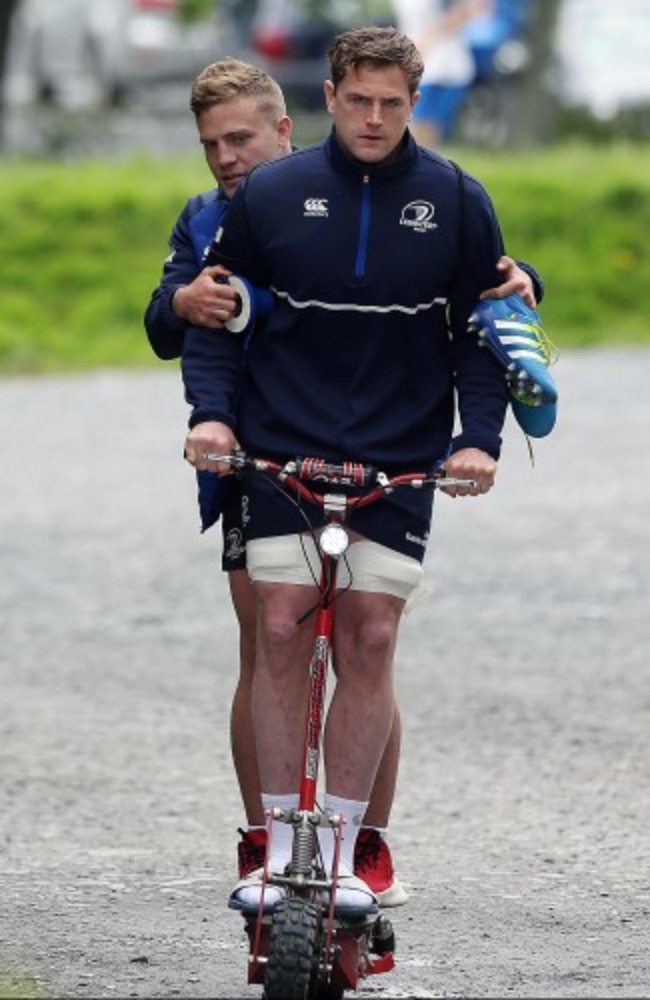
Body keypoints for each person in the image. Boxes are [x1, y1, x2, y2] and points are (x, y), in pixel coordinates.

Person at [181, 26, 542, 915]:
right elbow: (215, 321)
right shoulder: (269, 194)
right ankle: (272, 846)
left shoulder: (459, 199)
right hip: (279, 447)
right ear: (331, 99)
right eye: (360, 100)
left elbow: (483, 331)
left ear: (414, 104)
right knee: (276, 626)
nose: (375, 119)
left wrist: (480, 440)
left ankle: (345, 851)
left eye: (393, 103)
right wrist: (213, 416)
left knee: (371, 635)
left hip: (401, 453)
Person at [392, 0, 490, 147]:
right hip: (417, 65)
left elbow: (464, 12)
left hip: (448, 69)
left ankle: (423, 164)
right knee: (413, 122)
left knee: (430, 125)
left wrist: (428, 38)